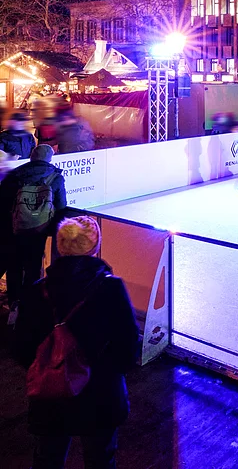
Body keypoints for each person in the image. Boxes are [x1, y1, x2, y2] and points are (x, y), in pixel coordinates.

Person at [12, 216, 139, 469]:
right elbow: (128, 347)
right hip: (101, 395)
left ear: (60, 246)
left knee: (47, 460)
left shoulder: (37, 290)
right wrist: (103, 370)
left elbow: (21, 347)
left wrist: (51, 366)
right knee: (101, 460)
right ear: (95, 246)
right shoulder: (112, 288)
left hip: (50, 395)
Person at [0, 144, 68, 324]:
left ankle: (14, 305)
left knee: (14, 266)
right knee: (33, 268)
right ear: (49, 159)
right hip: (38, 232)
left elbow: (2, 202)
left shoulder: (15, 175)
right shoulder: (55, 177)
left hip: (13, 231)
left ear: (31, 156)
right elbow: (61, 205)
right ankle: (28, 307)